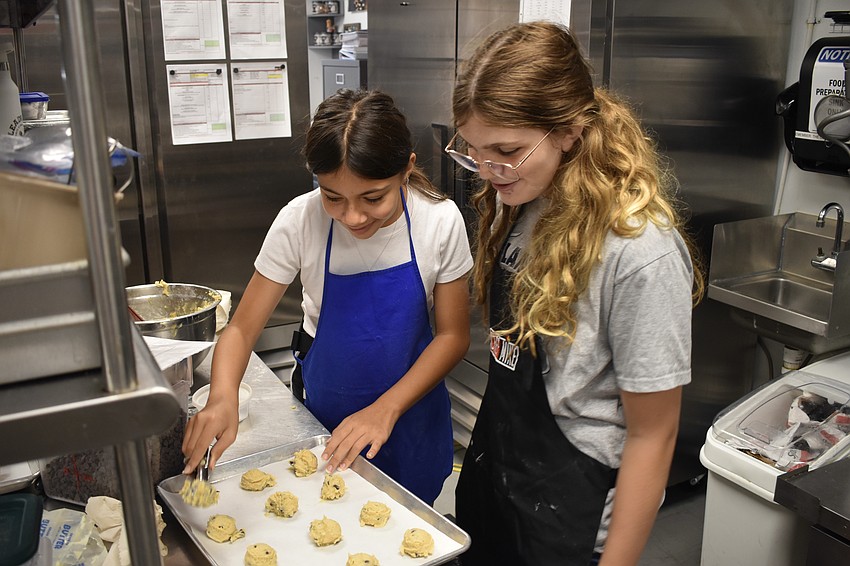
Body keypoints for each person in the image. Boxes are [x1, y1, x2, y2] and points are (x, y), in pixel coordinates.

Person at [447, 22, 704, 566]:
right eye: (472, 150)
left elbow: (654, 437)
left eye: (507, 150)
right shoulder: (526, 197)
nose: (488, 171)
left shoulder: (639, 254)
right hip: (497, 484)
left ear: (569, 129)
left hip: (571, 514)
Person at [182, 89, 473, 505]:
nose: (353, 216)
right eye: (333, 197)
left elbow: (453, 337)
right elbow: (243, 329)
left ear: (407, 169)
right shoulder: (300, 221)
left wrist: (384, 409)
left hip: (411, 419)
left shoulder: (439, 220)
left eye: (373, 198)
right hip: (326, 420)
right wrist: (223, 396)